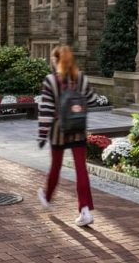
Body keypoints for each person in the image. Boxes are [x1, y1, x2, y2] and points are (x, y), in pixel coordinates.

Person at [36, 45, 98, 226]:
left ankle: (47, 198)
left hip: (58, 132)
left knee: (55, 167)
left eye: (53, 60)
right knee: (81, 170)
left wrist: (42, 135)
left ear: (56, 61)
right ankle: (85, 210)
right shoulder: (81, 79)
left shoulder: (50, 81)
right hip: (78, 131)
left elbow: (46, 110)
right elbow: (93, 100)